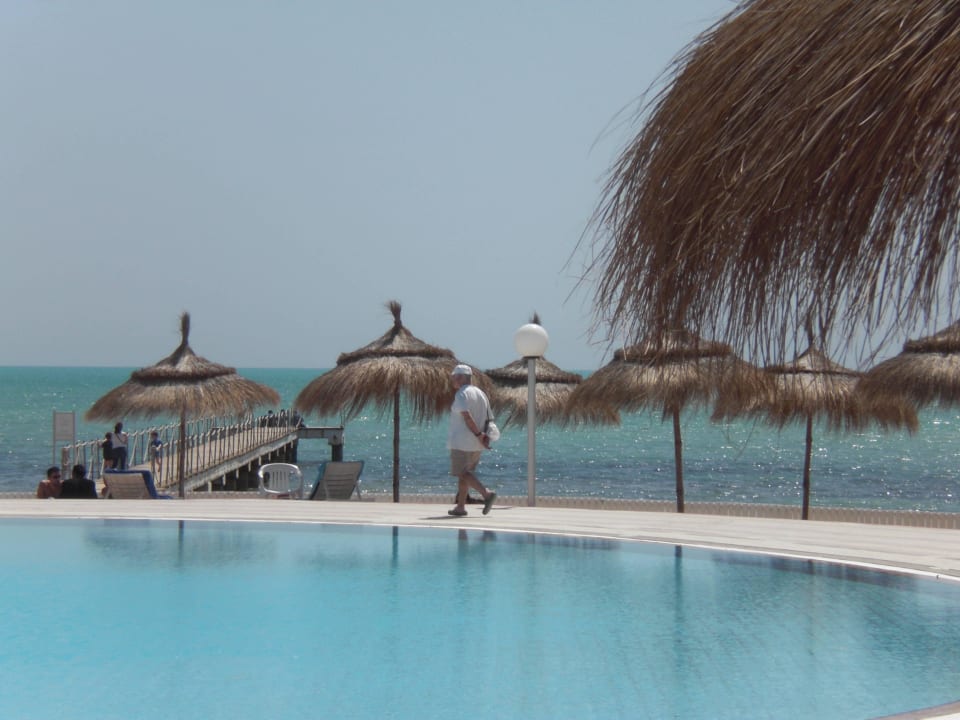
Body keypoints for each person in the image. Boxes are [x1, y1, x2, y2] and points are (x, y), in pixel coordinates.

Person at [447, 364, 496, 517]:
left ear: (460, 377)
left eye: (454, 377)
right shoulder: (480, 393)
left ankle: (486, 494)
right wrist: (482, 437)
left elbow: (467, 416)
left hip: (463, 442)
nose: (452, 380)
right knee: (465, 475)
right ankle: (460, 507)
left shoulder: (462, 394)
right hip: (477, 444)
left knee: (462, 473)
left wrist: (478, 434)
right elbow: (489, 418)